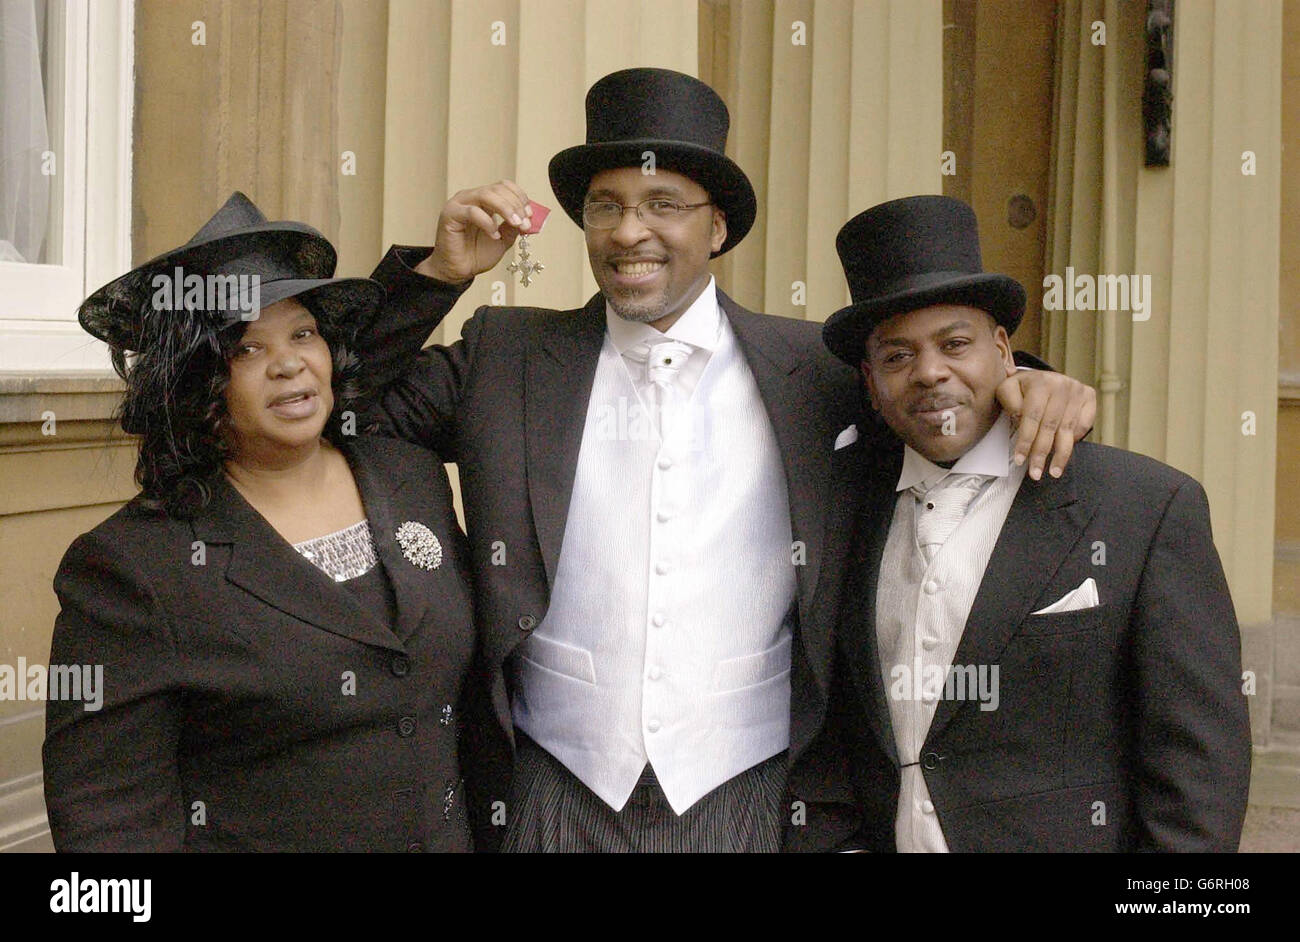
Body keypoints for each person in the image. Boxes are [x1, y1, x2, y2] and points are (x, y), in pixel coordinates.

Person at [355, 68, 1096, 852]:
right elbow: (344, 406)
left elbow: (937, 401)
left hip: (750, 788)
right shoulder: (506, 356)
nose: (628, 231)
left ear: (716, 230)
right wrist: (436, 277)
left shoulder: (815, 370)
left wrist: (1035, 386)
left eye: (661, 205)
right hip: (549, 785)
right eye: (606, 207)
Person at [43, 193, 479, 852]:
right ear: (194, 386)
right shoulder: (134, 568)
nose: (288, 362)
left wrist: (442, 271)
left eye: (303, 333)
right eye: (246, 349)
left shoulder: (407, 473)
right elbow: (109, 819)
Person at [816, 195, 1252, 851]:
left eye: (955, 344)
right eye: (898, 356)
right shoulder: (842, 505)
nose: (930, 372)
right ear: (870, 383)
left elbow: (1199, 766)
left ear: (1003, 351)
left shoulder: (1144, 507)